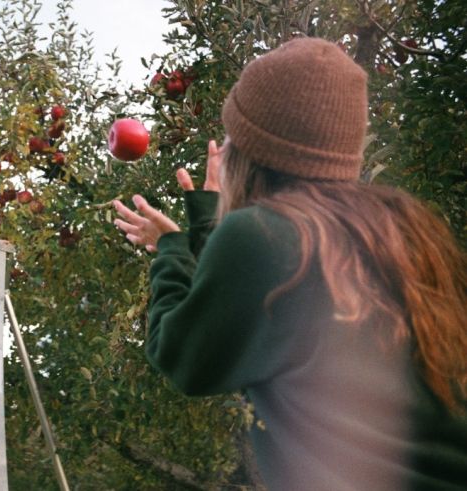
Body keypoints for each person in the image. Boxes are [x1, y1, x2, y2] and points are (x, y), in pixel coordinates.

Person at [113, 37, 467, 490]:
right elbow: (253, 305)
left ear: (251, 148)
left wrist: (171, 252)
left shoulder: (266, 237)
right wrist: (203, 225)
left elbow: (184, 357)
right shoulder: (400, 229)